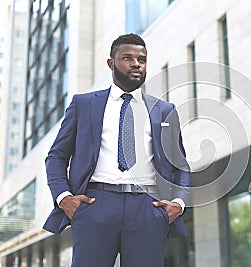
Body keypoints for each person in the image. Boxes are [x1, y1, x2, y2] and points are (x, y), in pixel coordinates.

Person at [43, 33, 190, 267]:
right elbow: (56, 157)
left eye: (141, 59)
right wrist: (64, 199)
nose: (136, 64)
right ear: (111, 63)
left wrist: (178, 204)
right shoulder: (83, 104)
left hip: (147, 206)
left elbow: (180, 164)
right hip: (95, 204)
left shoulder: (164, 110)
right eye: (127, 58)